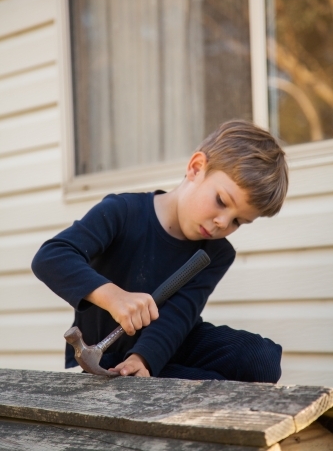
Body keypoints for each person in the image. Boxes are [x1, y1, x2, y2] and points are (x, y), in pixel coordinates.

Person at [32, 120, 288, 382]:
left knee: (261, 359)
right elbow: (51, 256)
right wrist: (113, 296)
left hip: (169, 342)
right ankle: (189, 387)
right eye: (222, 201)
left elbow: (179, 313)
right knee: (211, 383)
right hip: (109, 355)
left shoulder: (217, 252)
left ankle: (172, 384)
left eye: (238, 221)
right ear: (196, 168)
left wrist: (143, 360)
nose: (223, 222)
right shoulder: (123, 212)